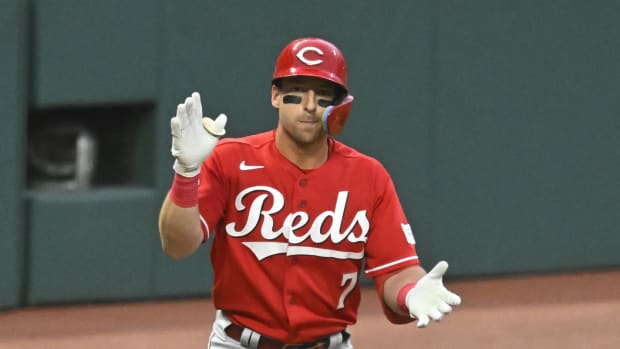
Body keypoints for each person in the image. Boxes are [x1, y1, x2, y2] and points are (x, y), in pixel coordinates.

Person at [158, 37, 462, 349]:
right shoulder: (230, 160)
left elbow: (397, 269)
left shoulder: (368, 176)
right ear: (275, 95)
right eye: (298, 91)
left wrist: (409, 293)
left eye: (323, 95)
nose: (310, 105)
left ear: (339, 105)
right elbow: (177, 245)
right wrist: (186, 172)